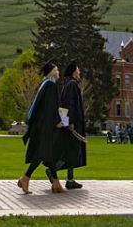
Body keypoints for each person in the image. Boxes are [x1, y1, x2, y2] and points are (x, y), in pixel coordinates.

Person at [18, 61, 65, 194]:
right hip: (46, 125)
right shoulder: (50, 85)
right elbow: (50, 107)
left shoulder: (44, 84)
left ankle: (56, 183)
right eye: (57, 70)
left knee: (48, 154)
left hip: (41, 124)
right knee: (42, 153)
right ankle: (25, 178)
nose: (59, 72)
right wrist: (57, 121)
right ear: (52, 72)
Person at [58, 62, 86, 190]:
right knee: (72, 152)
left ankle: (70, 179)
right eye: (78, 70)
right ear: (74, 71)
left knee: (70, 152)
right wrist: (70, 123)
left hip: (67, 122)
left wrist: (65, 122)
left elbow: (63, 106)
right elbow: (70, 105)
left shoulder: (66, 84)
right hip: (72, 124)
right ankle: (53, 170)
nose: (80, 73)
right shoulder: (73, 84)